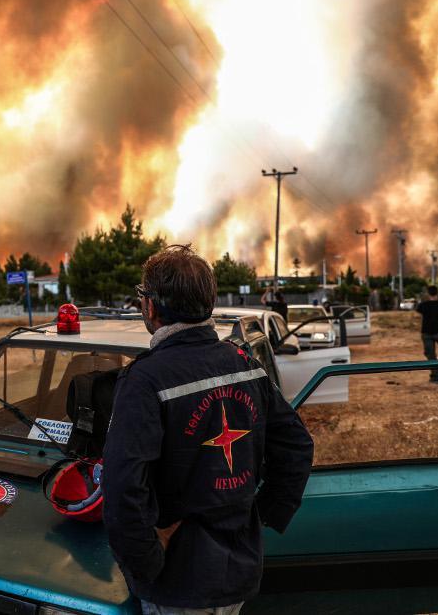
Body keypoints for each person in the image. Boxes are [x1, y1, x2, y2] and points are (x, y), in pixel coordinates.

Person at [103, 245, 314, 613]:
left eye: (142, 297)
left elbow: (122, 489)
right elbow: (296, 446)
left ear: (151, 308)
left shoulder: (145, 380)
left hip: (178, 585)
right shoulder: (243, 363)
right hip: (237, 575)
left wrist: (147, 564)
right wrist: (262, 514)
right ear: (210, 301)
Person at [416, 285, 438, 382]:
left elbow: (419, 317)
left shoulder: (423, 305)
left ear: (428, 293)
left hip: (426, 332)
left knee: (430, 354)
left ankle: (435, 375)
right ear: (437, 293)